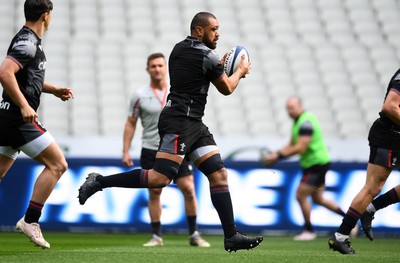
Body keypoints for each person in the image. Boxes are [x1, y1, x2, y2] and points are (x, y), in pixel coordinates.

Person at [78, 11, 263, 252]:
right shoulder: (208, 55)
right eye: (214, 29)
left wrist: (220, 64)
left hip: (193, 123)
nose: (218, 34)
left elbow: (205, 69)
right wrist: (239, 71)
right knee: (159, 179)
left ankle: (231, 235)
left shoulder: (179, 49)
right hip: (180, 122)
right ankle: (99, 181)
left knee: (219, 174)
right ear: (199, 30)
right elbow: (227, 88)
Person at [0, 0, 73, 249]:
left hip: (6, 117)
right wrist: (24, 106)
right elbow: (5, 73)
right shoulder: (28, 42)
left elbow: (25, 78)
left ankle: (30, 221)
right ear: (46, 15)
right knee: (58, 165)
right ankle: (30, 221)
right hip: (18, 120)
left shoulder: (29, 41)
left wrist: (52, 89)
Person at [122, 52, 209, 247]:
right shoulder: (139, 95)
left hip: (178, 146)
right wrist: (125, 150)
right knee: (154, 192)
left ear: (166, 68)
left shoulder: (176, 91)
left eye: (160, 65)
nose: (157, 69)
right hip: (151, 148)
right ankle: (156, 236)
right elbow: (130, 123)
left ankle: (194, 234)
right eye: (153, 66)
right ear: (147, 69)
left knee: (188, 189)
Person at [263, 96, 357, 241]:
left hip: (316, 165)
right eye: (288, 108)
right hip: (316, 164)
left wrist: (279, 156)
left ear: (300, 106)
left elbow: (301, 147)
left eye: (292, 108)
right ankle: (350, 221)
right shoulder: (298, 122)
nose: (290, 111)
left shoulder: (305, 123)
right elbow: (291, 144)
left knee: (300, 195)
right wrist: (276, 154)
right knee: (318, 198)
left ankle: (309, 230)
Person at [328, 67, 400, 254]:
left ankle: (371, 208)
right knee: (372, 187)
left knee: (373, 188)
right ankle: (340, 237)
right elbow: (390, 106)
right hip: (389, 135)